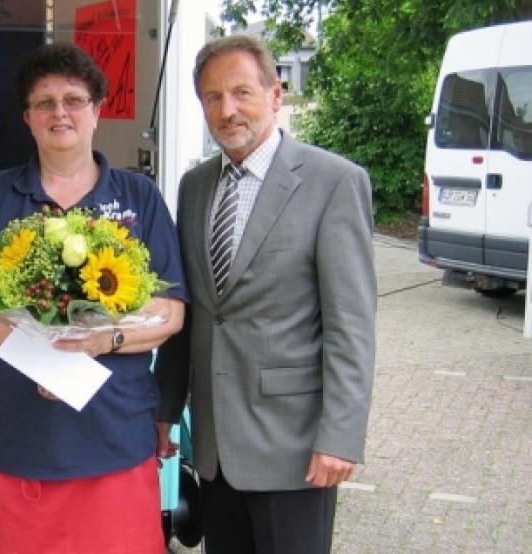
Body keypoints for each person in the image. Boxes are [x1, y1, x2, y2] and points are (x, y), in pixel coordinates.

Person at [0, 43, 187, 554]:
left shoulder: (139, 198)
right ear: (27, 118)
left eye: (73, 99)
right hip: (17, 439)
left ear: (96, 110)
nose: (59, 112)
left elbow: (171, 312)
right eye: (44, 102)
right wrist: (36, 343)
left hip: (114, 433)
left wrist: (103, 338)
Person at [155, 34, 376, 554]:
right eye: (212, 97)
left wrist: (340, 435)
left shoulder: (333, 182)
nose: (227, 110)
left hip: (295, 449)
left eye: (241, 93)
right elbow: (192, 314)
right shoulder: (194, 187)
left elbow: (352, 326)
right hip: (214, 450)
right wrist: (164, 408)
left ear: (276, 95)